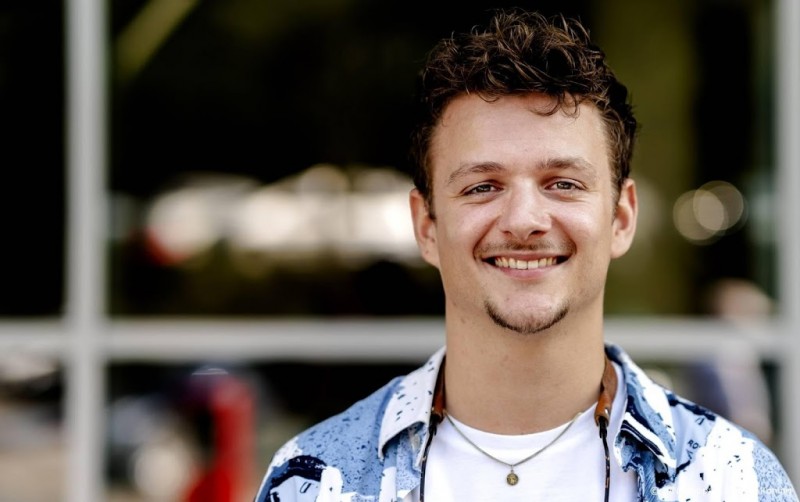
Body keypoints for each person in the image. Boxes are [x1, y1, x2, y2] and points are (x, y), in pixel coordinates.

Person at [254, 9, 798, 501]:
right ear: (426, 226)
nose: (523, 221)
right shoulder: (312, 481)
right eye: (482, 187)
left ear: (621, 218)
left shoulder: (732, 479)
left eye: (562, 184)